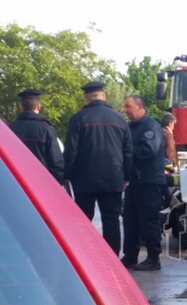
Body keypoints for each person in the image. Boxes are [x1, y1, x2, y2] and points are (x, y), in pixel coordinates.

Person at [64, 81, 133, 256]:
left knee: (83, 221)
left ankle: (84, 255)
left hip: (84, 180)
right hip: (113, 178)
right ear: (104, 95)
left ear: (86, 97)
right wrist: (126, 175)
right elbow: (128, 152)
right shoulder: (119, 120)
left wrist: (68, 175)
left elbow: (71, 151)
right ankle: (112, 256)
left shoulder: (78, 119)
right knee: (111, 220)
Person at [122, 95, 166, 271]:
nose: (126, 110)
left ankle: (153, 258)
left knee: (149, 221)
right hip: (135, 182)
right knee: (130, 220)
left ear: (139, 107)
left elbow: (149, 151)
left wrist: (125, 154)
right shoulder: (131, 127)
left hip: (149, 182)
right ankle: (130, 255)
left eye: (128, 106)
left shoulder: (150, 127)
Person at [9, 89, 65, 185]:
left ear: (21, 107)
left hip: (16, 182)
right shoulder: (46, 129)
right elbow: (56, 162)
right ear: (38, 106)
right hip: (42, 183)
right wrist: (59, 183)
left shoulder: (10, 129)